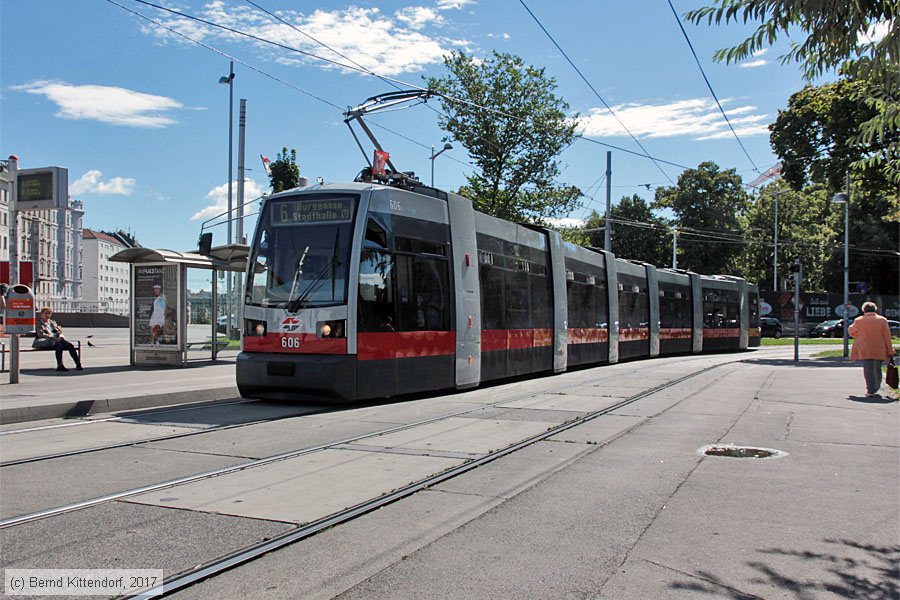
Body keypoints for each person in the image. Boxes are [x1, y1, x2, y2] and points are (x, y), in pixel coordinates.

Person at [848, 301, 895, 397]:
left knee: (868, 369)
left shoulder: (859, 320)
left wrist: (855, 333)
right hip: (880, 348)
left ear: (864, 310)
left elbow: (851, 330)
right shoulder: (882, 320)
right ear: (875, 309)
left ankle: (870, 390)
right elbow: (887, 336)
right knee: (877, 368)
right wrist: (890, 350)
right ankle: (876, 386)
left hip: (865, 348)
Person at [35, 307, 83, 372]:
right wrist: (53, 338)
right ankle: (60, 365)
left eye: (49, 313)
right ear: (42, 314)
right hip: (44, 341)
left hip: (56, 340)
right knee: (59, 345)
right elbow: (40, 334)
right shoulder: (39, 323)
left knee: (70, 345)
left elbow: (59, 331)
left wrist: (61, 336)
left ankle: (78, 364)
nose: (47, 315)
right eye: (46, 313)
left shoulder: (52, 322)